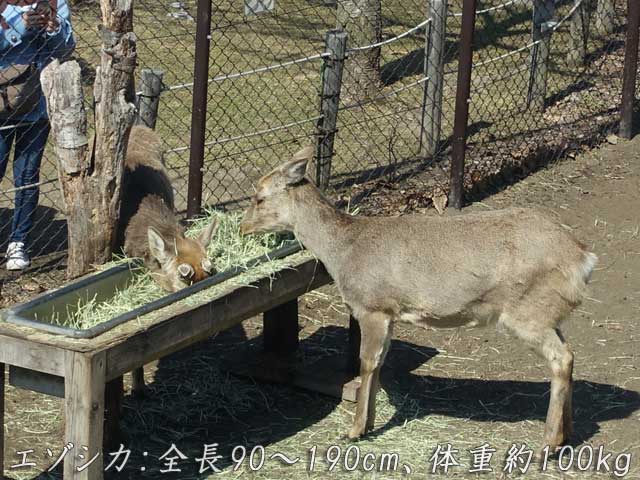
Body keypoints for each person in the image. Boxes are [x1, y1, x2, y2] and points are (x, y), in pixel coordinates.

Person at [0, 0, 74, 270]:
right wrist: (18, 29)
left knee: (27, 177)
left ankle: (18, 242)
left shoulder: (55, 3)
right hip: (1, 108)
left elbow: (67, 47)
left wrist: (54, 28)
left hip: (37, 109)